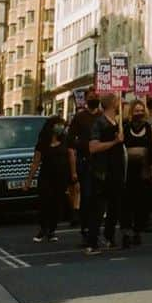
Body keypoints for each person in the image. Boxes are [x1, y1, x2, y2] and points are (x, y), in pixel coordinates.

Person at [84, 93, 125, 254]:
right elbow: (93, 147)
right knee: (98, 208)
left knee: (114, 206)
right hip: (102, 171)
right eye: (118, 101)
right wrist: (114, 142)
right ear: (113, 104)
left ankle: (109, 237)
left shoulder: (118, 122)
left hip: (116, 171)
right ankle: (92, 243)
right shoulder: (99, 123)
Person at [122, 99, 152, 248]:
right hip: (127, 170)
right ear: (131, 112)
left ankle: (137, 231)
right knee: (127, 202)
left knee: (141, 202)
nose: (139, 113)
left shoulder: (149, 128)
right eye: (136, 111)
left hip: (143, 171)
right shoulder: (125, 127)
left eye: (141, 110)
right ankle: (126, 232)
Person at [33, 119, 75, 243]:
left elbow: (71, 156)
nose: (60, 127)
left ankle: (51, 230)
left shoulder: (65, 141)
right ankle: (43, 229)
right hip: (45, 177)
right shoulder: (42, 143)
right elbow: (36, 162)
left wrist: (73, 173)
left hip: (61, 177)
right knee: (44, 202)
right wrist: (28, 180)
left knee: (56, 204)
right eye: (58, 125)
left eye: (62, 125)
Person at [65, 92, 100, 229]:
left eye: (96, 97)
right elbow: (71, 141)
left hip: (99, 161)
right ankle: (85, 225)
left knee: (97, 196)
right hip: (84, 160)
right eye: (91, 97)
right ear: (86, 100)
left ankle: (94, 224)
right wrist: (83, 145)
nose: (94, 99)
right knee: (86, 195)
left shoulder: (102, 117)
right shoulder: (79, 117)